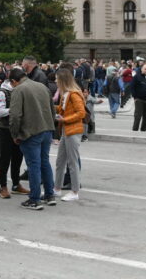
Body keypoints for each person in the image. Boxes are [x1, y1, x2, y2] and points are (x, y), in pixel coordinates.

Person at [8, 68, 56, 210]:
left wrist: (15, 134)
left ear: (13, 81)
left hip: (31, 132)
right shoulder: (41, 86)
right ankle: (49, 194)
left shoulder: (19, 89)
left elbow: (15, 116)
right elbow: (52, 109)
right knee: (44, 162)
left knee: (34, 165)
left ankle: (34, 199)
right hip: (46, 129)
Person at [52, 68, 86, 202]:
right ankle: (57, 189)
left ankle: (75, 191)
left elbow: (81, 113)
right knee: (60, 161)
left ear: (62, 80)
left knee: (72, 162)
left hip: (73, 131)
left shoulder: (73, 94)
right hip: (67, 131)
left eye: (57, 79)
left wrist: (64, 119)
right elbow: (63, 109)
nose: (55, 81)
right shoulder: (66, 93)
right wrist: (52, 106)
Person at [0, 70, 29, 198]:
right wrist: (14, 110)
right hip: (6, 130)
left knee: (18, 158)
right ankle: (2, 187)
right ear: (14, 81)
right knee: (5, 159)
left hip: (18, 129)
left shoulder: (19, 90)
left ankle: (16, 184)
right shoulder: (3, 92)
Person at [131, 64, 146, 132]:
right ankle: (135, 129)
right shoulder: (136, 77)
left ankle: (143, 129)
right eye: (145, 69)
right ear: (142, 69)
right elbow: (132, 87)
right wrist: (135, 97)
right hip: (139, 99)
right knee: (138, 115)